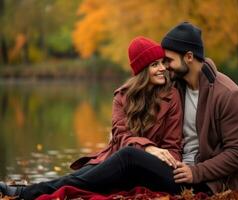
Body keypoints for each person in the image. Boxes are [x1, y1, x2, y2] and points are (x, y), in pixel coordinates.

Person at [0, 36, 183, 199]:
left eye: (162, 63)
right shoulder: (122, 97)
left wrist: (148, 154)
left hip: (157, 168)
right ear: (142, 70)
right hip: (121, 161)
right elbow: (120, 135)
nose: (162, 69)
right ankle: (24, 192)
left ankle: (24, 193)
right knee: (80, 177)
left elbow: (172, 148)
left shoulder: (171, 95)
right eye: (154, 65)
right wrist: (148, 147)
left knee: (127, 155)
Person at [160, 22, 238, 193]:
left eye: (169, 60)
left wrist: (195, 172)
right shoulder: (175, 87)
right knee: (130, 160)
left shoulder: (229, 95)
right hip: (176, 168)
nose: (164, 66)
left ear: (188, 57)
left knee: (130, 158)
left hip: (209, 182)